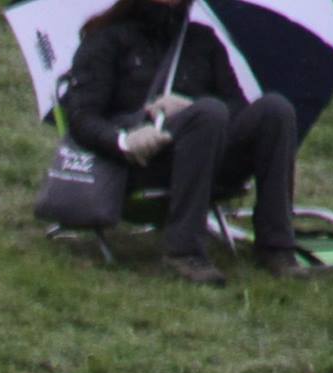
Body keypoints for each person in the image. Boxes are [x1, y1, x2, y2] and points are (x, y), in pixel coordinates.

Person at [63, 0, 309, 285]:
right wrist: (129, 133)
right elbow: (82, 119)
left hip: (207, 155)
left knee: (275, 110)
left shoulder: (202, 40)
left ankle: (277, 247)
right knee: (208, 113)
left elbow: (237, 106)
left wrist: (189, 107)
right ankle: (183, 250)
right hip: (139, 160)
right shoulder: (107, 39)